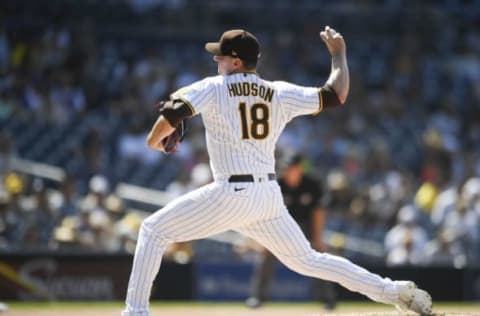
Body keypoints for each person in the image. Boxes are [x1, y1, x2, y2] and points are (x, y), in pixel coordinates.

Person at [122, 27, 433, 316]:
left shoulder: (214, 87)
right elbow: (335, 94)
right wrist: (339, 54)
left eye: (220, 55)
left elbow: (173, 112)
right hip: (268, 196)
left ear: (235, 61)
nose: (216, 60)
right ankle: (396, 292)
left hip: (232, 192)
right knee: (310, 260)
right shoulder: (278, 92)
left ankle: (135, 312)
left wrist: (153, 141)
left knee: (153, 230)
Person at [245, 152, 337, 310]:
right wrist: (265, 240)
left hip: (306, 227)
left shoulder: (312, 184)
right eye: (286, 168)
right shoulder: (276, 184)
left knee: (319, 256)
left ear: (300, 168)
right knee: (265, 256)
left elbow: (318, 212)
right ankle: (258, 297)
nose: (289, 171)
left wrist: (317, 238)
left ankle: (327, 298)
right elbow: (265, 211)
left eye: (293, 168)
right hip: (280, 226)